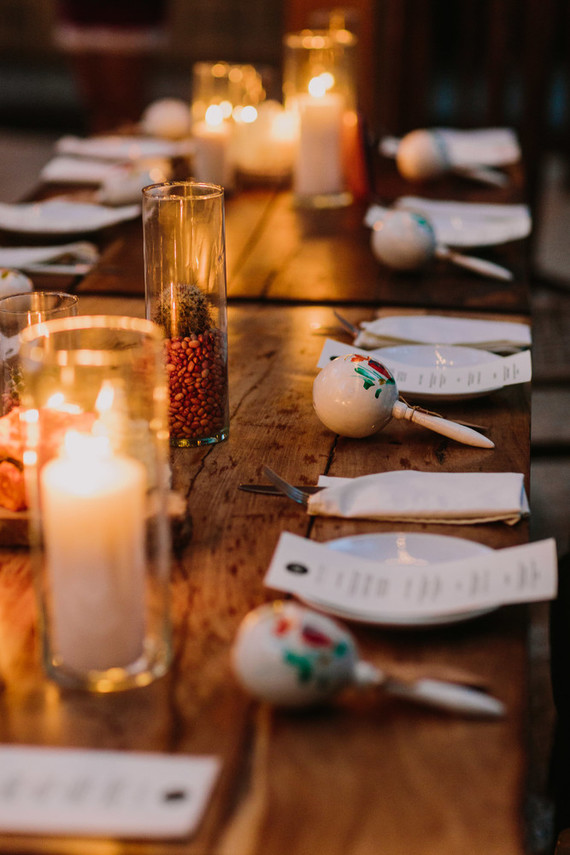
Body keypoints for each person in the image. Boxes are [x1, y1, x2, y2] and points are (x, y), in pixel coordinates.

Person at [53, 0, 168, 133]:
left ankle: (128, 148)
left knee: (124, 108)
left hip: (129, 14)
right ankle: (100, 144)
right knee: (96, 106)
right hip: (82, 10)